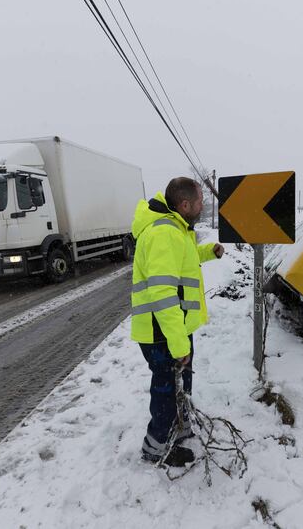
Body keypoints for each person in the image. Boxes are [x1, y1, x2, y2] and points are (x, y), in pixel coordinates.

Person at [130, 177, 225, 467]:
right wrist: (178, 342)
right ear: (185, 205)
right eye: (199, 202)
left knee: (180, 382)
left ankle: (179, 427)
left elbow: (183, 260)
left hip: (174, 329)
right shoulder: (164, 234)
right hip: (163, 332)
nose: (202, 206)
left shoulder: (177, 230)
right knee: (166, 391)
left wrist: (208, 252)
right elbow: (163, 293)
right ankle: (156, 448)